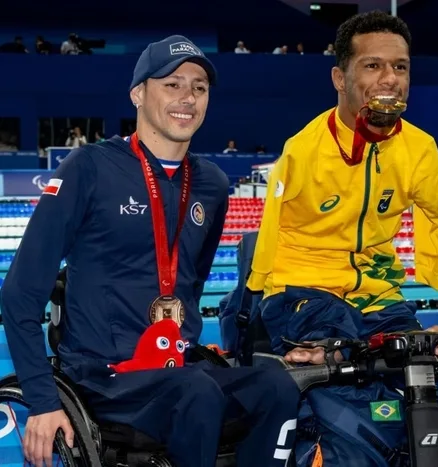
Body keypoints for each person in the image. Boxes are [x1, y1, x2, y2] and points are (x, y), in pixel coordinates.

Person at [0, 35, 299, 467]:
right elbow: (20, 293)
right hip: (103, 376)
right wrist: (44, 400)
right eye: (172, 84)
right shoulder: (90, 168)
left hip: (175, 368)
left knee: (278, 387)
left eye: (199, 87)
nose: (188, 98)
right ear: (138, 94)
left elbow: (191, 280)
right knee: (196, 393)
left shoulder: (212, 184)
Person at [246, 11, 438, 465]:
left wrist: (430, 270)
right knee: (343, 363)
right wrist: (257, 298)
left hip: (377, 295)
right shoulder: (303, 149)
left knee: (424, 367)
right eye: (373, 65)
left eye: (400, 67)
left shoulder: (419, 148)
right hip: (304, 290)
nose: (390, 78)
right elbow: (270, 228)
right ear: (340, 77)